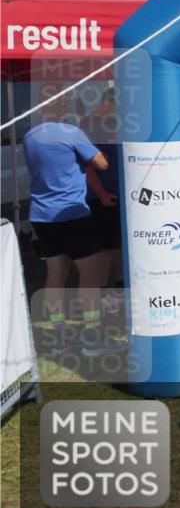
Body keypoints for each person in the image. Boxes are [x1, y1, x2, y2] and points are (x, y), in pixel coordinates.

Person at [23, 85, 121, 356]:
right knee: (88, 276)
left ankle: (58, 338)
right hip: (71, 213)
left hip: (41, 215)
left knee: (55, 275)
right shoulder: (72, 132)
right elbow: (101, 163)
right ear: (60, 106)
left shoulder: (30, 135)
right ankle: (92, 337)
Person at [80, 88, 123, 291]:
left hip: (121, 191)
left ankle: (121, 289)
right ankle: (104, 292)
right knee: (106, 248)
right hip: (102, 195)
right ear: (110, 103)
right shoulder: (89, 124)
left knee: (120, 245)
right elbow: (88, 165)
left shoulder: (116, 123)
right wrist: (102, 193)